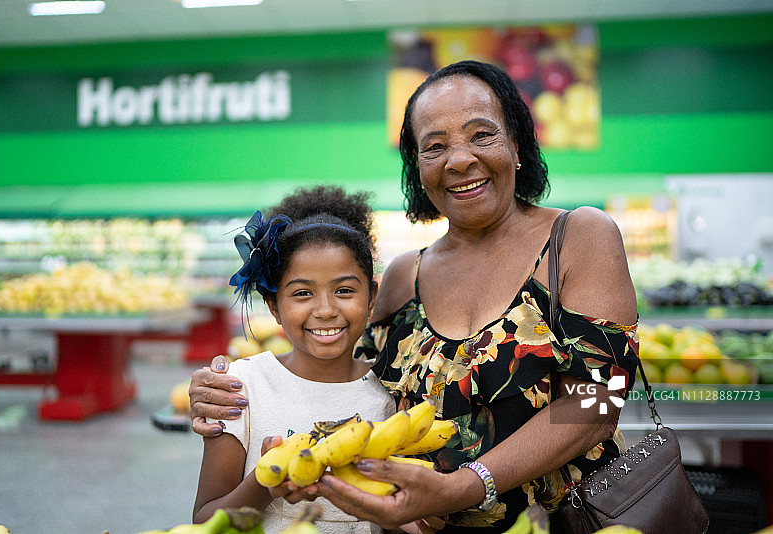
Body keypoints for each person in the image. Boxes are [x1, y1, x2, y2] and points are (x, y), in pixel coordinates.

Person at [188, 60, 639, 533]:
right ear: (418, 167)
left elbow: (597, 404)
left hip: (566, 522)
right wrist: (223, 389)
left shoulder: (579, 237)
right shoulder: (406, 276)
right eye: (435, 146)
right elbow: (342, 379)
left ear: (518, 144)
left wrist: (467, 484)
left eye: (481, 135)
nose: (459, 160)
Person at [192, 186, 397, 533]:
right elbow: (204, 520)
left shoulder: (393, 392)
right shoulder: (241, 389)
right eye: (302, 293)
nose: (326, 310)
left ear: (372, 296)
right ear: (274, 306)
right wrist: (264, 482)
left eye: (344, 290)